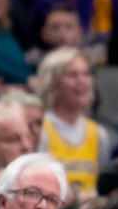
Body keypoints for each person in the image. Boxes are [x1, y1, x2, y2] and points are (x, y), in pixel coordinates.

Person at [36, 47, 113, 197]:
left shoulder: (99, 133)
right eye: (73, 75)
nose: (82, 81)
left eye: (86, 74)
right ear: (52, 82)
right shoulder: (39, 130)